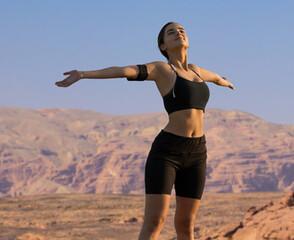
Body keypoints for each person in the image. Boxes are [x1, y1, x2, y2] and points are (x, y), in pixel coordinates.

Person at [55, 22, 234, 240]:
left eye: (182, 31)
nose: (179, 33)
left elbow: (214, 77)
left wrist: (223, 81)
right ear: (163, 46)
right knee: (154, 222)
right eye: (171, 32)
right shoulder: (162, 69)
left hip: (197, 153)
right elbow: (123, 71)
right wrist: (83, 74)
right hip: (167, 152)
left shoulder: (196, 71)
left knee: (186, 225)